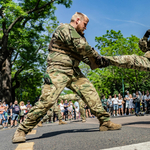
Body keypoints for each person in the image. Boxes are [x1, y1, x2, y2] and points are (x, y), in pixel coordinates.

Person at [12, 12, 121, 143]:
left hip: (74, 71)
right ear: (78, 20)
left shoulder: (80, 36)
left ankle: (105, 122)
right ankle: (22, 130)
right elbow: (82, 47)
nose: (86, 27)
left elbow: (85, 56)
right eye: (85, 24)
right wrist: (96, 56)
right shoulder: (65, 29)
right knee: (47, 101)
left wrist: (99, 62)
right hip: (57, 69)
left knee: (91, 93)